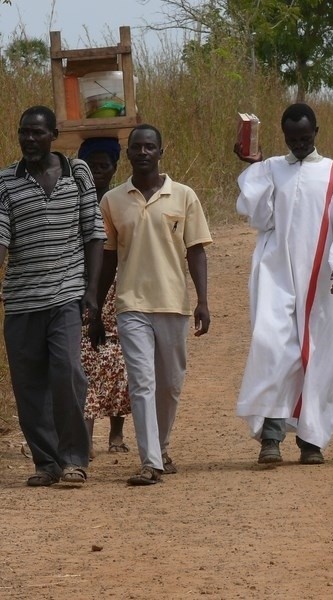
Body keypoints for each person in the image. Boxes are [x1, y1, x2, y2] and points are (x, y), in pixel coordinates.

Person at [234, 103, 333, 466]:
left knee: (320, 353)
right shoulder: (273, 168)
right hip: (276, 272)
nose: (299, 145)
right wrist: (255, 170)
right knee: (273, 347)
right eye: (292, 139)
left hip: (320, 278)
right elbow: (257, 217)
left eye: (305, 138)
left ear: (317, 132)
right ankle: (271, 436)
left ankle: (312, 439)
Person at [91, 124, 212, 485]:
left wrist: (204, 301)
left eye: (149, 147)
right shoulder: (112, 200)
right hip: (131, 304)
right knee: (142, 382)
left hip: (174, 303)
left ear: (161, 151)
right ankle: (151, 463)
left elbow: (196, 251)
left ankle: (160, 446)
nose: (143, 152)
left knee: (170, 383)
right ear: (127, 154)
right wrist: (95, 307)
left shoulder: (184, 196)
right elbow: (108, 259)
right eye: (136, 148)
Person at [0, 105, 105, 486]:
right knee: (29, 386)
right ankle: (47, 464)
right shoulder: (6, 182)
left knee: (67, 374)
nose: (29, 139)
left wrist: (91, 293)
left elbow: (93, 233)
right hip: (22, 300)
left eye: (36, 132)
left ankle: (75, 458)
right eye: (23, 132)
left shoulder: (78, 173)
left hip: (66, 296)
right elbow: (1, 237)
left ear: (53, 135)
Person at [77, 137, 131, 458]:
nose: (98, 171)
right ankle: (86, 438)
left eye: (104, 166)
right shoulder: (75, 199)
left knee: (117, 360)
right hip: (83, 288)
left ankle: (116, 432)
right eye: (91, 165)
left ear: (114, 168)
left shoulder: (118, 201)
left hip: (116, 288)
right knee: (85, 358)